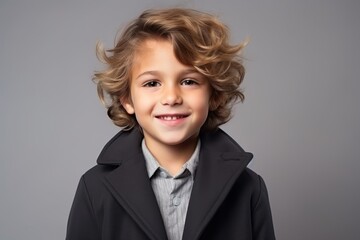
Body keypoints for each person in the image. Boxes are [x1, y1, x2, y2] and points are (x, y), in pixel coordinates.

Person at [66, 8, 276, 240]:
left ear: (214, 95)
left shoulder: (248, 188)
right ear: (127, 99)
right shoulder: (95, 188)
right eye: (152, 83)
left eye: (188, 81)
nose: (171, 97)